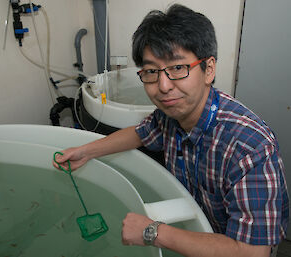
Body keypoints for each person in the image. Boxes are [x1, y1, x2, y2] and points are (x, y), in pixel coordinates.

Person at [53, 4, 289, 257]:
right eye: (152, 71)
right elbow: (140, 133)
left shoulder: (250, 148)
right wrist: (86, 151)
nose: (163, 86)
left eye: (178, 68)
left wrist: (153, 232)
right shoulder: (171, 115)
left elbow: (252, 253)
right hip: (196, 230)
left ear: (208, 69)